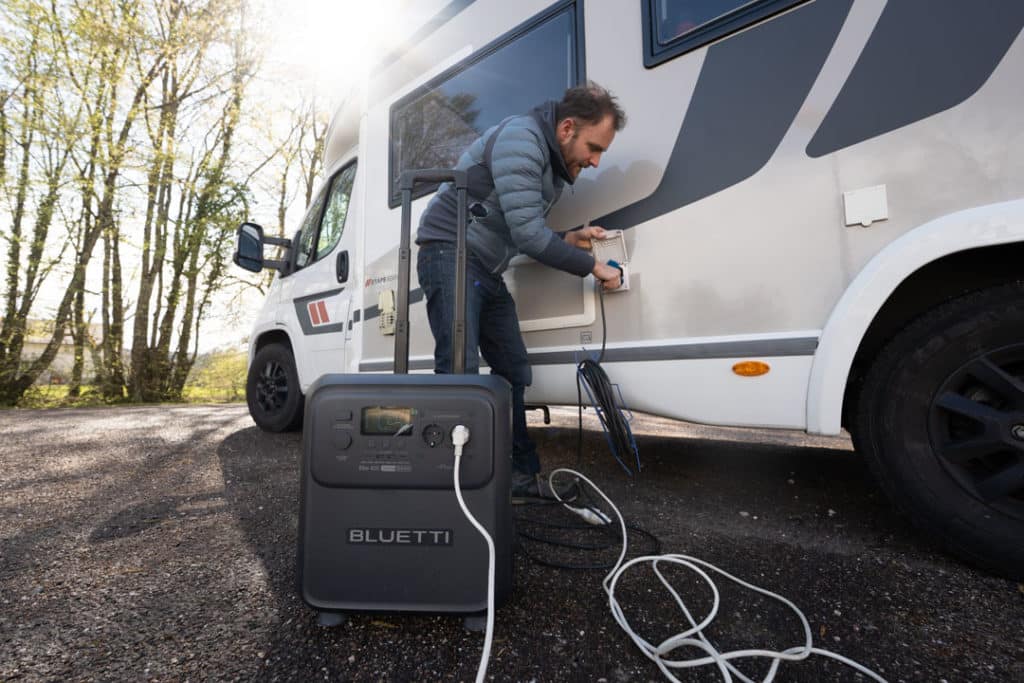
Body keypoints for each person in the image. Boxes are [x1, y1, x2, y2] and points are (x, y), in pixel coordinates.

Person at [415, 81, 627, 497]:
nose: (597, 161)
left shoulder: (551, 161)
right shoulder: (523, 139)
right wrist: (594, 267)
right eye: (594, 147)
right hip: (448, 251)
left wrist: (570, 237)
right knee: (459, 368)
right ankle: (454, 484)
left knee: (513, 369)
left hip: (484, 266)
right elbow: (529, 237)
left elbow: (517, 225)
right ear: (566, 128)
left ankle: (520, 477)